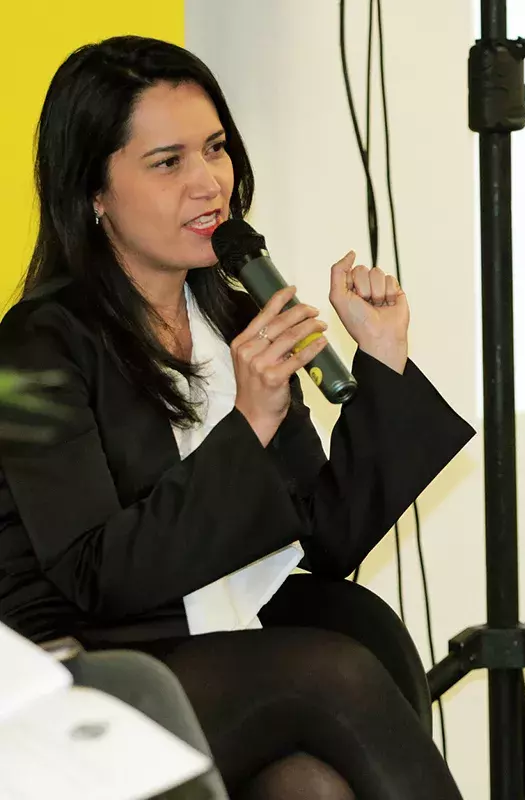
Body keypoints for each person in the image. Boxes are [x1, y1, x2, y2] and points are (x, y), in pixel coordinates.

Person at [0, 36, 473, 800]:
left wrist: (383, 357)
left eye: (215, 149)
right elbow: (100, 578)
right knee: (332, 673)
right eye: (168, 162)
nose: (208, 183)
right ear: (94, 192)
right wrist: (248, 423)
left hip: (221, 650)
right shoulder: (34, 349)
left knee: (312, 787)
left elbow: (328, 538)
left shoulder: (229, 313)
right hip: (85, 668)